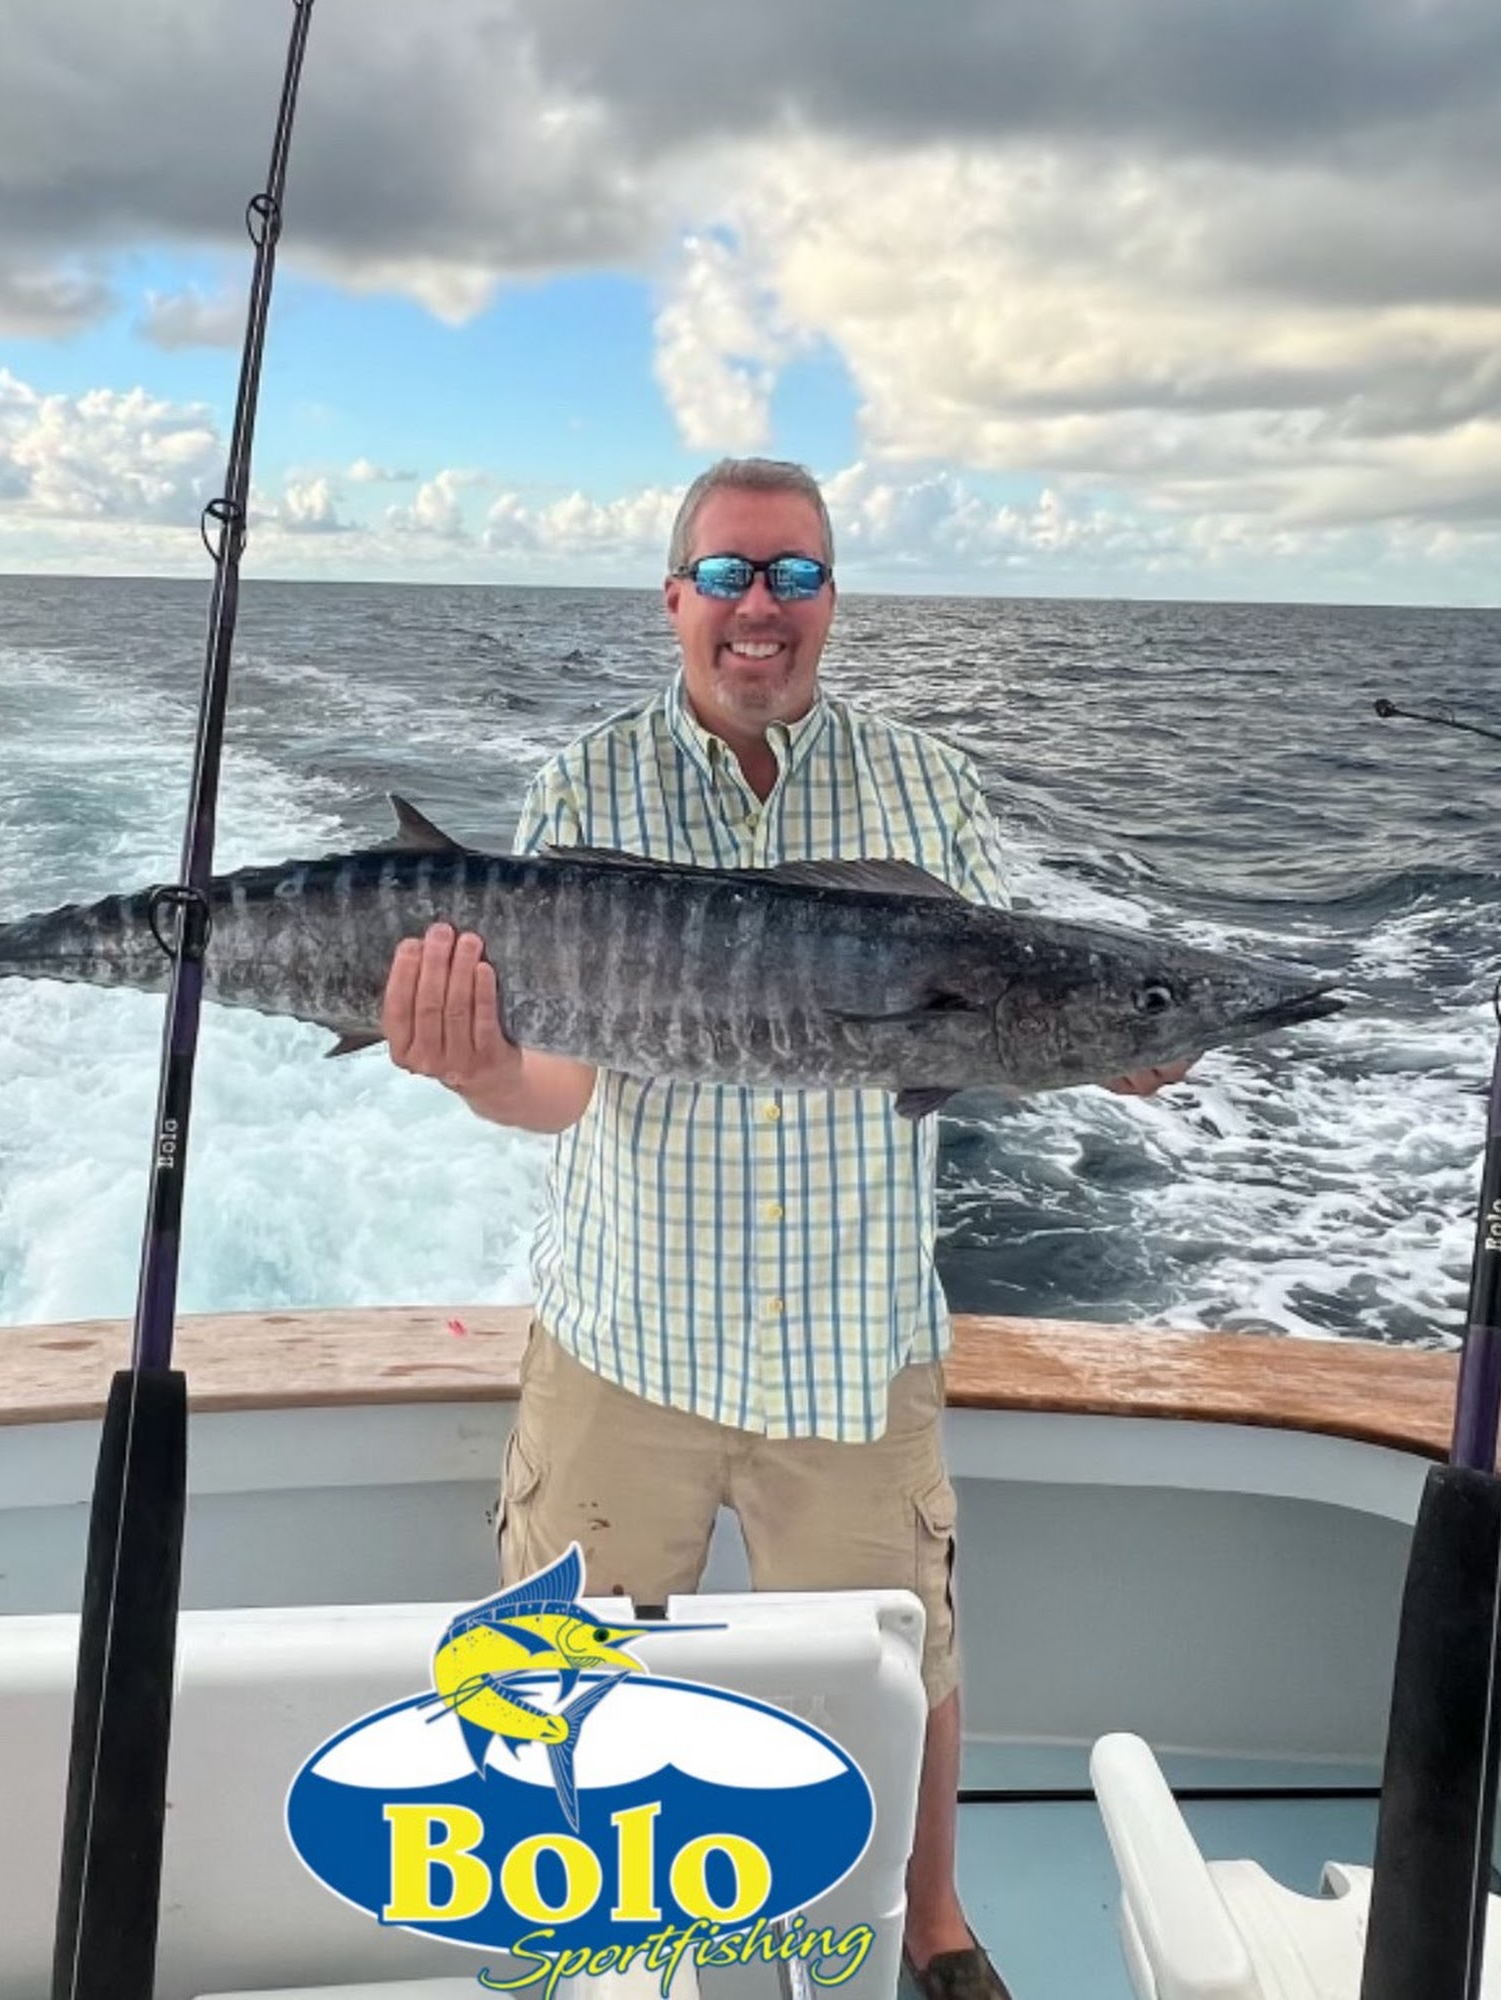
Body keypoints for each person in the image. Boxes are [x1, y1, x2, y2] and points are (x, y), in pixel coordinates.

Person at [378, 457, 1189, 2000]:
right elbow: (561, 1082)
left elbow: (1006, 999)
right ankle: (578, 1931)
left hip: (853, 1340)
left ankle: (933, 1924)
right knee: (561, 1675)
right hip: (629, 1334)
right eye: (732, 574)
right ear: (674, 597)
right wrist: (478, 1069)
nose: (762, 606)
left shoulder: (927, 786)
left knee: (906, 1661)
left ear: (831, 599)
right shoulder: (584, 784)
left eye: (796, 575)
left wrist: (1117, 1037)